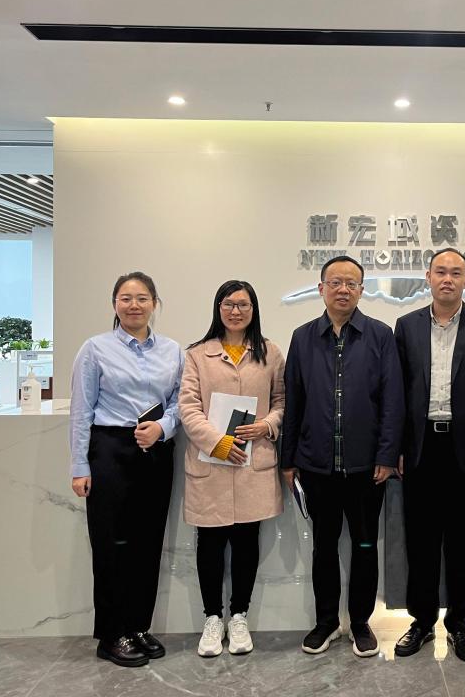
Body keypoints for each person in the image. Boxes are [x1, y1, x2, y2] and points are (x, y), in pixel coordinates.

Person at [281, 255, 405, 658]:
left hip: (367, 467)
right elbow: (294, 400)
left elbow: (392, 400)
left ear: (362, 290)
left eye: (351, 283)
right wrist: (288, 459)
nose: (343, 289)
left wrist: (387, 454)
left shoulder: (380, 335)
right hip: (316, 465)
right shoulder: (302, 337)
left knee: (366, 546)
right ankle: (326, 622)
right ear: (321, 288)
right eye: (335, 282)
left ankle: (361, 622)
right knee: (324, 546)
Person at [392, 248, 465, 662]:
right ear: (427, 277)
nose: (447, 279)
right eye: (440, 272)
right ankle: (422, 622)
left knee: (461, 543)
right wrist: (396, 448)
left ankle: (460, 626)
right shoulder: (406, 326)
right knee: (420, 542)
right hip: (420, 447)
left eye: (455, 273)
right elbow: (397, 393)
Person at [69, 271, 184, 667]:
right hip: (110, 450)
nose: (134, 305)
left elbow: (180, 402)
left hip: (155, 450)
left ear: (155, 303)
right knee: (111, 545)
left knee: (148, 544)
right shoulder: (95, 349)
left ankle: (137, 626)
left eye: (142, 298)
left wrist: (164, 427)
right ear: (114, 304)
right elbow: (81, 412)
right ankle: (111, 633)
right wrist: (79, 465)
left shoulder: (172, 351)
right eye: (126, 298)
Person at [179, 280, 285, 658]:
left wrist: (267, 424)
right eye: (228, 304)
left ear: (254, 310)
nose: (236, 311)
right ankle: (212, 618)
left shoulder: (270, 352)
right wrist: (216, 442)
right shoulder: (197, 355)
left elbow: (282, 400)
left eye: (243, 304)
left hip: (253, 464)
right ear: (218, 308)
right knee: (209, 543)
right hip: (211, 465)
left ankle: (238, 616)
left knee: (245, 542)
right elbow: (188, 407)